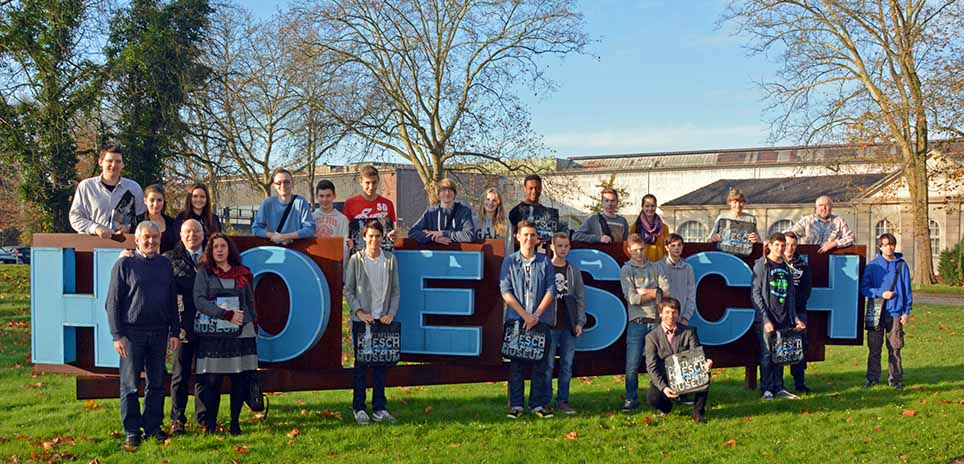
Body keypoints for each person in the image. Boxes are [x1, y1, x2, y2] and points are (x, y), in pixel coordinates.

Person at [105, 221, 180, 449]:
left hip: (159, 332)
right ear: (136, 240)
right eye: (146, 237)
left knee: (156, 383)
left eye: (155, 238)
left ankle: (153, 427)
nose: (151, 241)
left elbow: (171, 301)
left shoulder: (165, 265)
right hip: (131, 333)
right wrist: (117, 335)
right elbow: (112, 302)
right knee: (129, 385)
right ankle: (131, 431)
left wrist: (175, 331)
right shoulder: (124, 264)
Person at [193, 233, 258, 435]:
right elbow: (200, 301)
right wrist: (225, 314)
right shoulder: (204, 272)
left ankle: (235, 423)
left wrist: (247, 320)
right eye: (215, 247)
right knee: (212, 380)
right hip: (214, 335)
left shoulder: (242, 273)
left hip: (241, 334)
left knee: (239, 379)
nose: (219, 250)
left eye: (223, 246)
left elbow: (250, 302)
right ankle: (211, 424)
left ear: (229, 249)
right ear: (210, 252)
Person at [344, 220, 400, 425]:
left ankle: (379, 407)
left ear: (382, 237)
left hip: (383, 319)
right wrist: (359, 311)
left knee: (381, 367)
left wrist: (391, 313)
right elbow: (348, 290)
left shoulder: (391, 260)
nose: (374, 240)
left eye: (377, 236)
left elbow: (395, 291)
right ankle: (359, 407)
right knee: (361, 366)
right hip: (362, 320)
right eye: (370, 236)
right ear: (363, 237)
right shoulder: (356, 260)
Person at [499, 220, 556, 419]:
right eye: (525, 235)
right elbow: (505, 291)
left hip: (540, 321)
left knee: (540, 365)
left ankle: (537, 405)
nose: (529, 239)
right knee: (516, 366)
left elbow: (551, 289)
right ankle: (516, 405)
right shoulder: (509, 261)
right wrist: (524, 316)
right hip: (516, 320)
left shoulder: (545, 261)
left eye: (532, 235)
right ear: (518, 236)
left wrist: (536, 316)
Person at [163, 219, 207, 435]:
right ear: (181, 235)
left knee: (204, 374)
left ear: (203, 234)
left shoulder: (212, 257)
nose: (192, 235)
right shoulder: (169, 259)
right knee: (180, 375)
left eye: (196, 231)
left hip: (208, 326)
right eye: (188, 232)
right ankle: (177, 419)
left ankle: (203, 419)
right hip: (182, 326)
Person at [751, 232, 806, 400]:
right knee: (767, 354)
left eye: (783, 245)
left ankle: (779, 387)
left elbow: (791, 296)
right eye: (777, 245)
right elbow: (756, 294)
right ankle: (767, 389)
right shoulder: (761, 265)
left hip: (784, 319)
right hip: (767, 319)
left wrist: (795, 318)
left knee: (781, 354)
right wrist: (765, 319)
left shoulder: (786, 267)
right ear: (769, 245)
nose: (781, 248)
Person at [620, 233, 670, 412]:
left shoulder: (656, 268)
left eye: (641, 249)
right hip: (636, 322)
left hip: (656, 322)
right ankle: (630, 398)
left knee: (657, 363)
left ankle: (657, 399)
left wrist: (645, 292)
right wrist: (654, 293)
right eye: (635, 250)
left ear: (645, 248)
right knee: (632, 364)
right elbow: (632, 298)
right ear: (629, 251)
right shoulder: (626, 270)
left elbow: (665, 292)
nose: (639, 253)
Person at [645, 298, 712, 423]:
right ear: (660, 314)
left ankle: (698, 413)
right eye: (667, 312)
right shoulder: (651, 337)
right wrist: (664, 388)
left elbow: (696, 355)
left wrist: (705, 364)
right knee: (653, 399)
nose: (671, 316)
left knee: (705, 374)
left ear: (678, 313)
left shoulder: (689, 332)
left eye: (674, 312)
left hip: (687, 373)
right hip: (665, 377)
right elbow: (651, 367)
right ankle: (667, 407)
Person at [861, 233, 912, 391]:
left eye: (891, 244)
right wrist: (880, 293)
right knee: (874, 348)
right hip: (875, 310)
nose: (889, 247)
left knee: (895, 347)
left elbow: (907, 290)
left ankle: (896, 380)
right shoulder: (872, 266)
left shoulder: (901, 265)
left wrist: (906, 311)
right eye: (885, 244)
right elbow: (864, 288)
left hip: (895, 312)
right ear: (880, 247)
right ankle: (872, 378)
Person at [544, 232, 586, 414]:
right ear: (552, 247)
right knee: (547, 366)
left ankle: (563, 401)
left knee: (567, 366)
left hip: (568, 325)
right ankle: (544, 401)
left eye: (566, 246)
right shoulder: (545, 268)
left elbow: (580, 297)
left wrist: (580, 322)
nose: (563, 249)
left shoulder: (573, 271)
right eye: (559, 246)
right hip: (549, 325)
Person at [70, 144, 146, 237]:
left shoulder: (134, 188)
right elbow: (75, 218)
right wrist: (95, 228)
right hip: (91, 246)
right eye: (110, 161)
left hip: (126, 246)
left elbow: (142, 219)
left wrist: (129, 228)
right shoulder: (86, 187)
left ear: (123, 164)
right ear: (100, 162)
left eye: (118, 161)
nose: (114, 165)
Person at [252, 168, 315, 245]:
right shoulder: (267, 203)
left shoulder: (301, 202)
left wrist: (286, 236)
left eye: (286, 182)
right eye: (278, 183)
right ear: (274, 185)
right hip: (274, 248)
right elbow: (256, 229)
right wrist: (275, 236)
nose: (283, 186)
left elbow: (310, 229)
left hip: (297, 249)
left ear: (292, 183)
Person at [343, 165, 398, 253]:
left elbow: (393, 229)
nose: (371, 187)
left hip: (383, 255)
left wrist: (394, 234)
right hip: (359, 255)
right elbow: (345, 230)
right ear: (361, 182)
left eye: (374, 182)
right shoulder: (350, 204)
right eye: (367, 183)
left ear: (378, 182)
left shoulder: (387, 204)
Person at [784, 231, 813, 394]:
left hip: (799, 311)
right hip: (778, 312)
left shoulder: (802, 265)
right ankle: (775, 384)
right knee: (777, 346)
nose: (789, 248)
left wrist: (795, 310)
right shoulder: (774, 262)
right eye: (787, 244)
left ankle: (799, 383)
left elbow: (806, 290)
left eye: (793, 245)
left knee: (799, 346)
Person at [408, 178, 476, 245]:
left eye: (450, 190)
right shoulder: (430, 213)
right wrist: (433, 237)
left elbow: (469, 235)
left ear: (455, 194)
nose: (447, 193)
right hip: (437, 254)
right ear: (438, 194)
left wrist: (443, 233)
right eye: (443, 190)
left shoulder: (464, 211)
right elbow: (412, 232)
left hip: (458, 253)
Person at [508, 174, 564, 253]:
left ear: (541, 189)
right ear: (525, 189)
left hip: (542, 258)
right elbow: (510, 240)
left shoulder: (549, 214)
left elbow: (552, 239)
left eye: (536, 188)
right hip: (521, 258)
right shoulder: (515, 212)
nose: (534, 191)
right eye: (530, 188)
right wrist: (530, 242)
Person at [786, 195, 854, 253]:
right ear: (816, 208)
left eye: (827, 205)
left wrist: (834, 243)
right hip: (809, 256)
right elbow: (789, 233)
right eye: (821, 205)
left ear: (831, 208)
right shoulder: (807, 221)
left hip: (832, 258)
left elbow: (851, 238)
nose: (824, 208)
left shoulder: (839, 221)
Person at [658, 233, 697, 326]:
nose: (677, 248)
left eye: (679, 245)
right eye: (673, 245)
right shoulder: (658, 267)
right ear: (667, 247)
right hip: (662, 321)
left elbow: (691, 294)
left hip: (681, 320)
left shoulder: (688, 268)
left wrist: (686, 317)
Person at [708, 188, 760, 256]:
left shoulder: (751, 219)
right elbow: (709, 239)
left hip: (745, 258)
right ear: (730, 202)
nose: (738, 205)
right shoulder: (722, 218)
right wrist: (713, 238)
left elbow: (759, 241)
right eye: (735, 202)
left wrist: (756, 240)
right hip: (724, 256)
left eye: (741, 202)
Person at [629, 194, 669, 263]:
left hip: (659, 266)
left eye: (653, 206)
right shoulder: (635, 227)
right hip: (642, 266)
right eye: (647, 206)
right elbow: (631, 247)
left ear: (656, 206)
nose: (650, 209)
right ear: (642, 207)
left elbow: (666, 249)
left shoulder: (664, 228)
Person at [474, 187, 512, 256]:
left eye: (494, 200)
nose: (490, 203)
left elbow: (509, 248)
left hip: (498, 263)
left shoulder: (505, 223)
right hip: (478, 261)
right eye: (487, 199)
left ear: (498, 204)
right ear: (483, 201)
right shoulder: (474, 221)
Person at [140, 184, 177, 254]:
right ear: (145, 201)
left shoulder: (171, 222)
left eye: (159, 200)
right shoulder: (137, 221)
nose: (156, 204)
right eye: (152, 200)